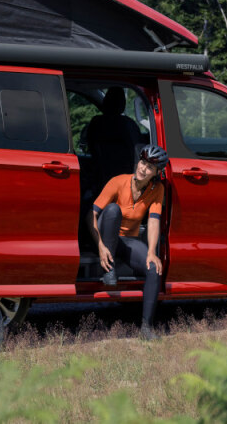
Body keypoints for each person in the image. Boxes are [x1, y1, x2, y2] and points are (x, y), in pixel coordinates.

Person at [88, 144, 168, 340]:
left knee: (153, 267)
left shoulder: (157, 189)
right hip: (103, 237)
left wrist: (151, 252)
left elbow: (153, 221)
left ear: (156, 172)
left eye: (149, 167)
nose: (143, 169)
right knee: (113, 210)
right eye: (142, 163)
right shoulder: (118, 181)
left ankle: (147, 328)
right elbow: (90, 215)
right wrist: (100, 245)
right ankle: (109, 269)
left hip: (128, 240)